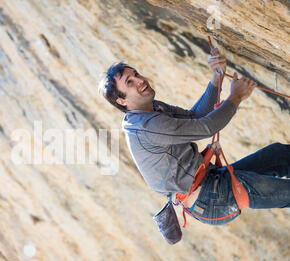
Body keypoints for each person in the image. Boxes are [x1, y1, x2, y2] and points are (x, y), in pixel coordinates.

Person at [98, 48, 290, 229]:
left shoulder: (153, 109)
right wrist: (236, 96)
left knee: (279, 155)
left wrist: (217, 78)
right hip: (211, 198)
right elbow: (206, 127)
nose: (139, 80)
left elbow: (194, 117)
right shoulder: (146, 126)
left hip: (212, 181)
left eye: (136, 74)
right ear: (122, 101)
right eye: (129, 82)